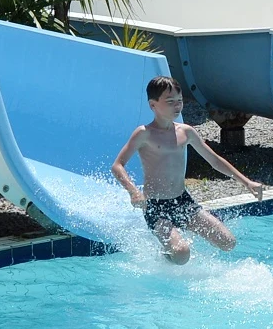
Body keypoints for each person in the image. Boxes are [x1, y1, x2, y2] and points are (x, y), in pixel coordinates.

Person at [111, 76, 263, 265]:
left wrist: (246, 182)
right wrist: (133, 192)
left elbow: (214, 160)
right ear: (153, 105)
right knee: (182, 254)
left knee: (228, 242)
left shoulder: (186, 131)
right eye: (170, 102)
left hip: (183, 201)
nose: (177, 106)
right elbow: (117, 165)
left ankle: (177, 235)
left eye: (180, 101)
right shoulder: (144, 133)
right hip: (156, 207)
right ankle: (164, 254)